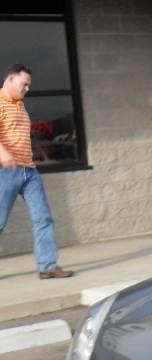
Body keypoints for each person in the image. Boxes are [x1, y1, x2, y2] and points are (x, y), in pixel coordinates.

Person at [0, 64, 72, 279]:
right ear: (10, 79)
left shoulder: (20, 105)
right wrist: (3, 154)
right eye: (24, 84)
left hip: (29, 171)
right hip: (5, 171)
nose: (27, 89)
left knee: (43, 218)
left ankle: (48, 266)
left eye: (29, 86)